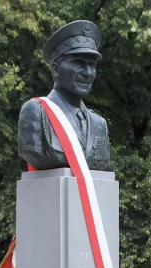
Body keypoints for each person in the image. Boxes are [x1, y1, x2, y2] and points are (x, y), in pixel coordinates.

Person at [17, 20, 110, 171]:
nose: (87, 73)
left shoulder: (99, 124)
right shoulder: (36, 112)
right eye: (79, 63)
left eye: (92, 65)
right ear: (55, 69)